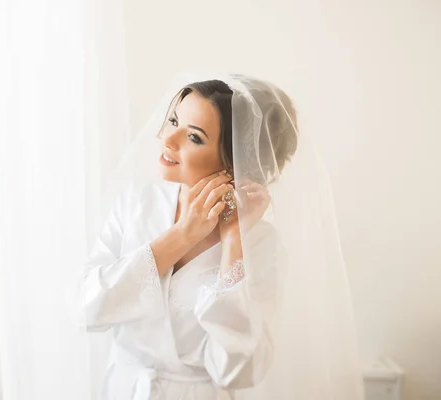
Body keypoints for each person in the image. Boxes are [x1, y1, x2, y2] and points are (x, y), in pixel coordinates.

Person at [73, 74, 365, 400]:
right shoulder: (135, 205)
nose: (169, 140)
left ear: (233, 160)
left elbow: (236, 370)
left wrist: (232, 242)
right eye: (173, 121)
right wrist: (182, 235)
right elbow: (89, 307)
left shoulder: (261, 243)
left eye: (194, 137)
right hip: (122, 390)